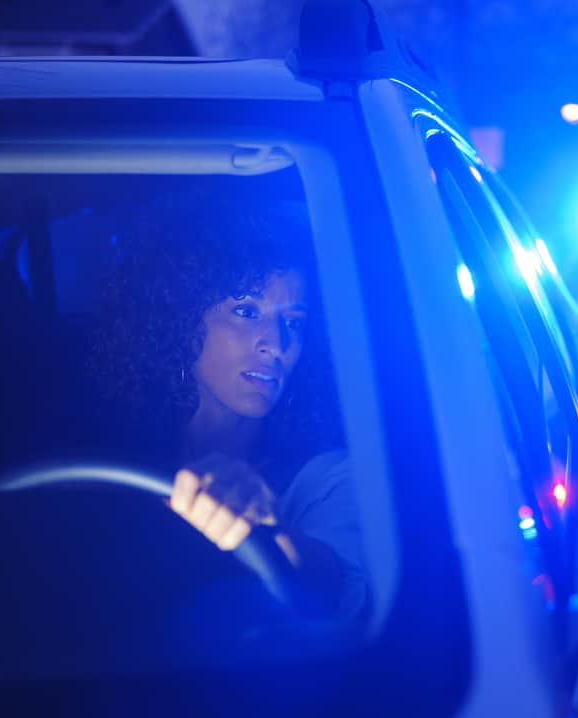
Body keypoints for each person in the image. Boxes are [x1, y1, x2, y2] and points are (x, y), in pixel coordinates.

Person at [86, 209, 367, 623]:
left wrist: (261, 532)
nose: (276, 343)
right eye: (247, 312)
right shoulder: (109, 456)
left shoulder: (326, 477)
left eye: (293, 321)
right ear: (182, 322)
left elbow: (333, 580)